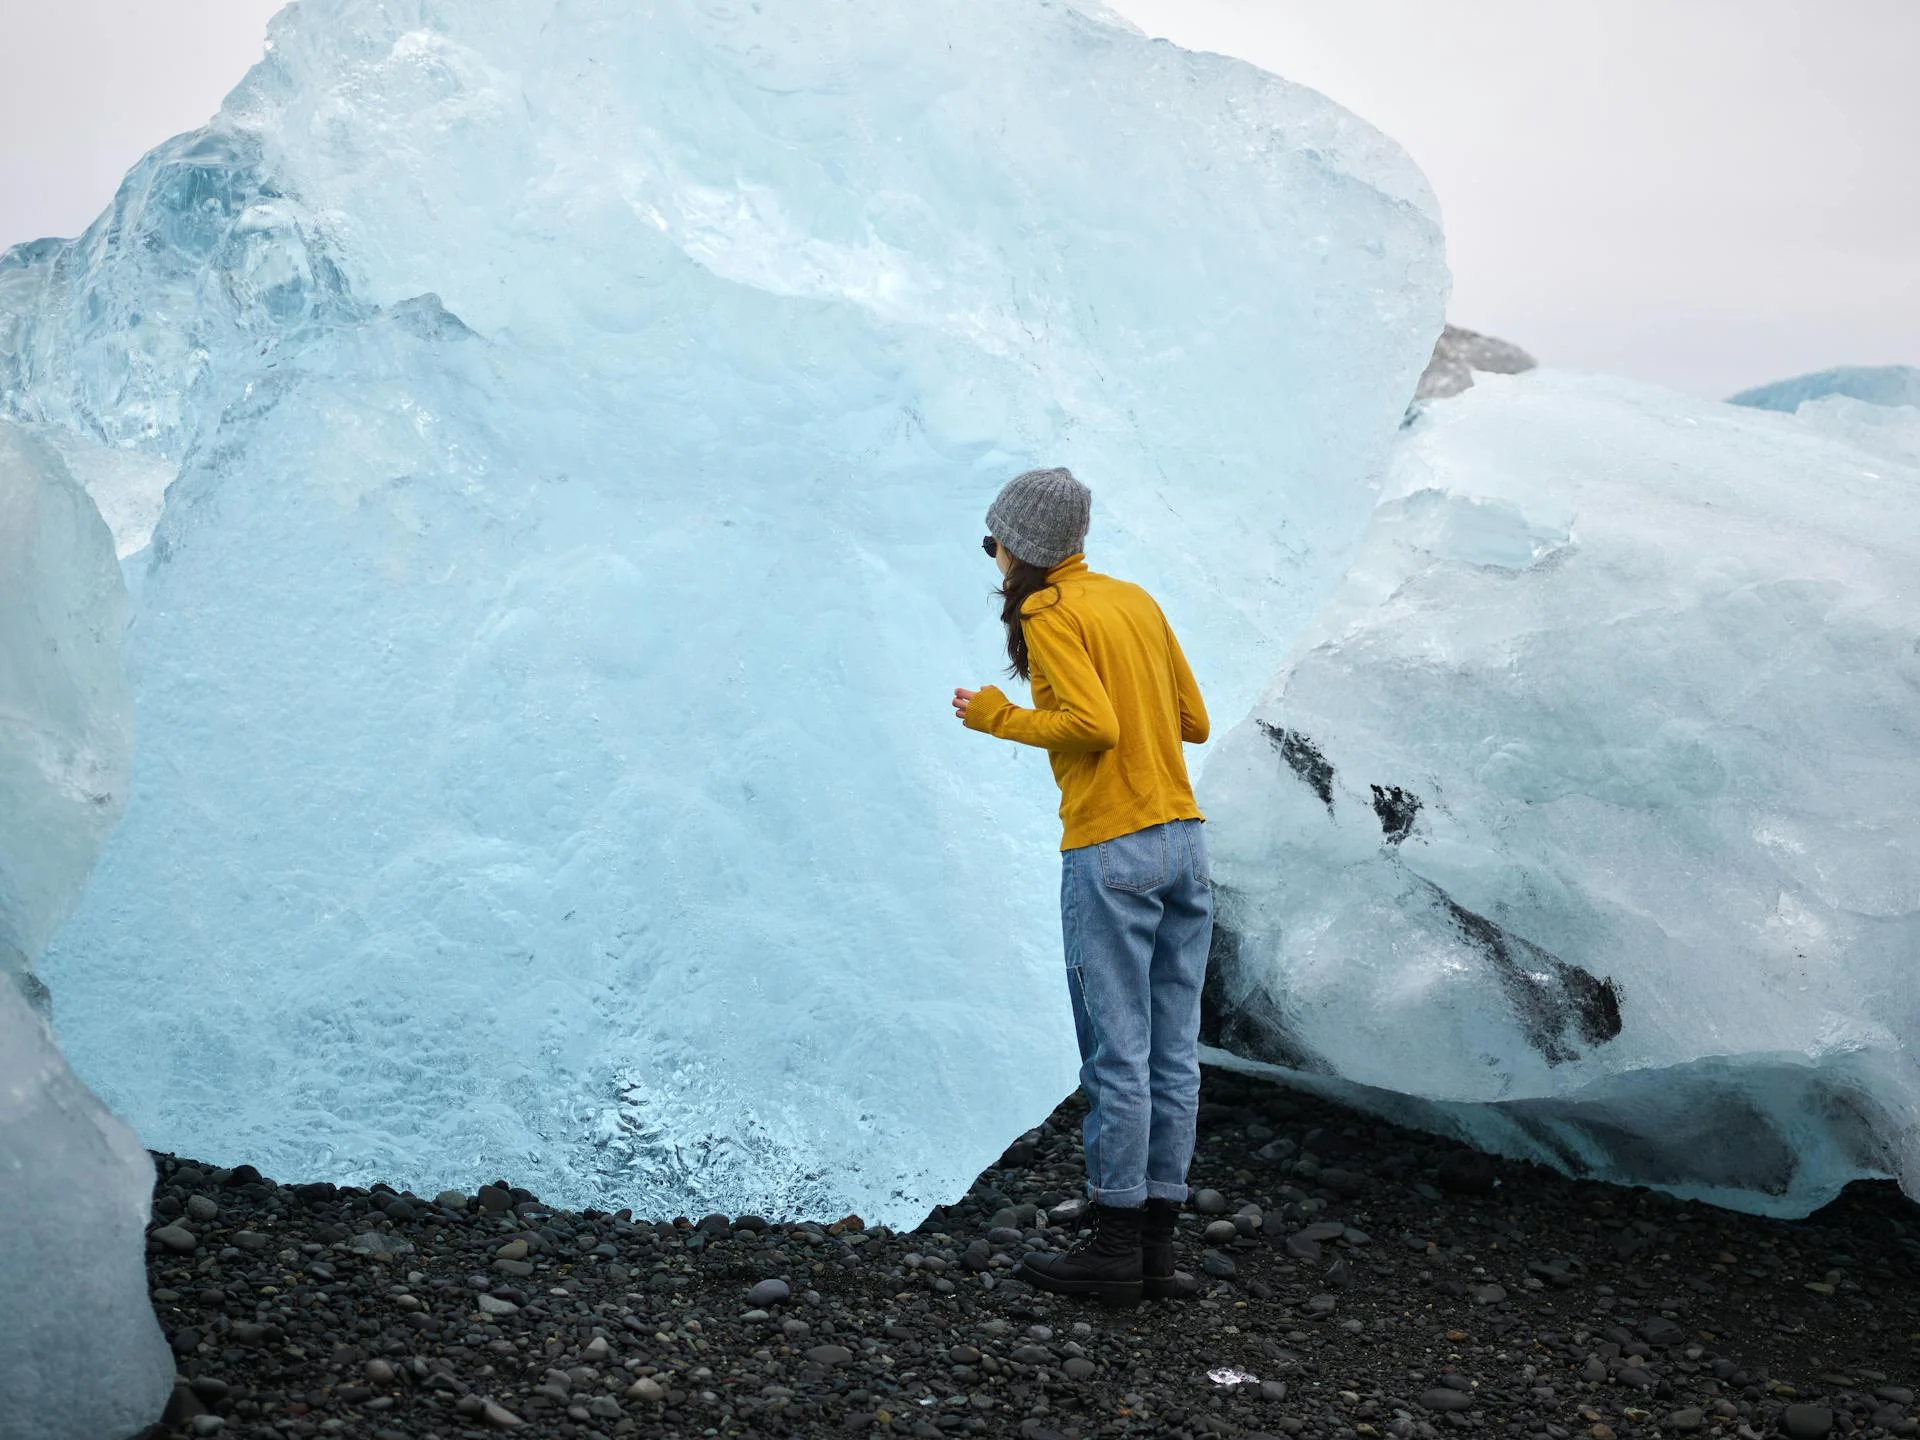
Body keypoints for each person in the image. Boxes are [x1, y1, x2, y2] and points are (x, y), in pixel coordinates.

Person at [952, 466, 1212, 1307]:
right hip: (1184, 841)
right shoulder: (1133, 601)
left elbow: (1091, 727)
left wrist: (1000, 714)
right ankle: (1157, 1249)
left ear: (1020, 545)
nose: (991, 554)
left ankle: (1110, 1243)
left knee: (1116, 1048)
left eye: (993, 539)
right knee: (1174, 1051)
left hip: (1112, 848)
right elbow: (1192, 721)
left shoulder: (1046, 610)